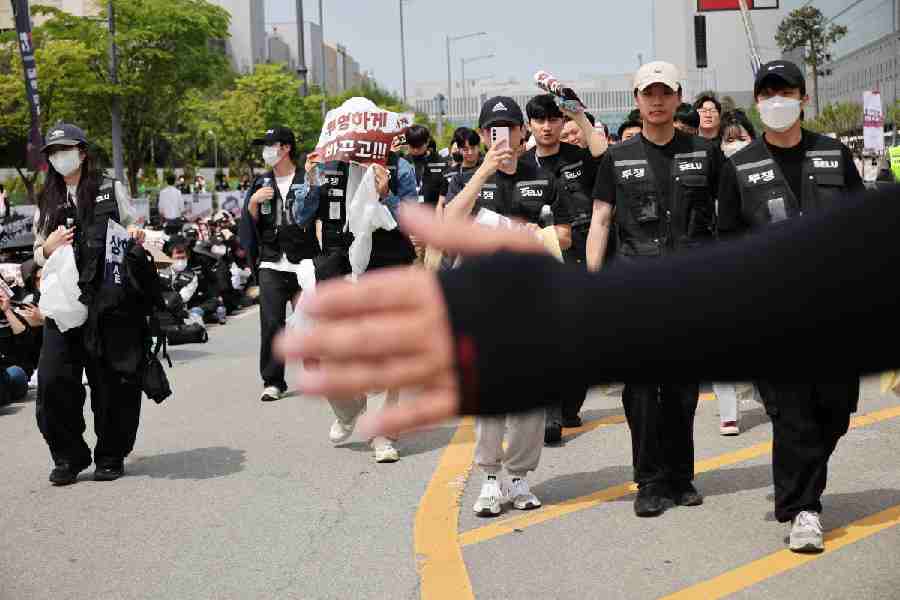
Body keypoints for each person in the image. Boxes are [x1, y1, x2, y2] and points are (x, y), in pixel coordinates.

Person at [717, 59, 866, 554]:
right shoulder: (738, 167)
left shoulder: (833, 153)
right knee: (793, 416)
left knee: (835, 413)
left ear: (804, 97)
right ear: (757, 102)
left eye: (786, 91)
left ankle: (801, 487)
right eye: (767, 93)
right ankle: (803, 509)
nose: (776, 100)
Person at [585, 61, 722, 518]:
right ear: (637, 99)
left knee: (682, 390)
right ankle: (649, 480)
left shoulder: (705, 153)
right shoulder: (617, 157)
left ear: (679, 97)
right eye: (649, 93)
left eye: (665, 92)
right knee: (642, 391)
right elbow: (600, 221)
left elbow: (727, 216)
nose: (657, 101)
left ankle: (681, 476)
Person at [444, 95, 575, 516]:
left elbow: (566, 233)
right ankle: (488, 477)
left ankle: (518, 476)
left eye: (508, 128)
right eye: (491, 129)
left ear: (522, 132)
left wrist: (528, 235)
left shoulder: (543, 178)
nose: (500, 135)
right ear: (483, 135)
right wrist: (483, 171)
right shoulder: (465, 179)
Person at [31, 122, 150, 485]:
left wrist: (135, 233)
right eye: (53, 152)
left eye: (64, 150)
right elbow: (37, 252)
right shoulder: (46, 198)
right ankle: (68, 457)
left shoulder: (109, 188)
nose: (59, 157)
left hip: (107, 300)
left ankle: (111, 454)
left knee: (111, 383)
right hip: (63, 303)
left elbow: (133, 225)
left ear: (82, 153)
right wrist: (47, 247)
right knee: (53, 381)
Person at [305, 141, 419, 463]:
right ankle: (349, 410)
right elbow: (301, 216)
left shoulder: (399, 167)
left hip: (384, 267)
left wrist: (387, 195)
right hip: (337, 266)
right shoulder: (327, 164)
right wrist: (310, 182)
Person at [522, 94, 608, 439]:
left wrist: (581, 117)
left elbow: (605, 158)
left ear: (562, 123)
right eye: (539, 121)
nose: (547, 127)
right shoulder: (521, 164)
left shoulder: (579, 157)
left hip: (580, 254)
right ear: (529, 125)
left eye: (553, 120)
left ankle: (569, 405)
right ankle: (550, 410)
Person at [239, 126, 321, 403]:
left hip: (304, 262)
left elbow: (319, 213)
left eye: (270, 145)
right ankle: (273, 381)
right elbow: (249, 225)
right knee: (272, 323)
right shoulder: (260, 182)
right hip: (272, 261)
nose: (266, 151)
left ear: (285, 148)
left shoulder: (307, 177)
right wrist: (253, 203)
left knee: (308, 321)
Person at [711, 109, 760, 436]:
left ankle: (766, 391)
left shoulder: (768, 170)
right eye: (728, 140)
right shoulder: (712, 174)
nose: (734, 144)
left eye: (740, 137)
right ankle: (728, 413)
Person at [437, 127, 482, 216]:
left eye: (473, 148)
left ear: (478, 147)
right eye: (465, 149)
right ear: (459, 149)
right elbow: (441, 204)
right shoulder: (450, 174)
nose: (470, 152)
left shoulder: (487, 169)